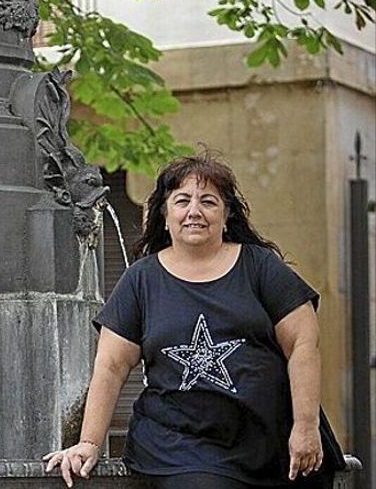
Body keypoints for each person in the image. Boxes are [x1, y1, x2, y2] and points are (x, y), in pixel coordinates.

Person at [44, 154, 333, 488]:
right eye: (182, 201)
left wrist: (306, 425)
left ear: (226, 216)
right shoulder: (141, 280)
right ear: (165, 216)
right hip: (180, 446)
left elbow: (303, 343)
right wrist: (89, 443)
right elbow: (111, 365)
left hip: (268, 440)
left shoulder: (261, 268)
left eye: (208, 201)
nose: (194, 211)